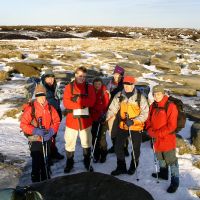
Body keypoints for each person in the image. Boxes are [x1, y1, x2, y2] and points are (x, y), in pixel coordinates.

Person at [106, 75, 149, 176]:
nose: (127, 86)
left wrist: (134, 121)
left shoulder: (140, 97)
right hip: (123, 125)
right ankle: (121, 167)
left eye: (129, 84)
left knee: (135, 149)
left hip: (136, 126)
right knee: (118, 147)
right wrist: (106, 117)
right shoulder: (119, 95)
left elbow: (145, 114)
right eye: (125, 84)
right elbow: (112, 109)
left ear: (133, 84)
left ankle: (133, 166)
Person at [20, 85, 60, 182]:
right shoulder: (31, 109)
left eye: (43, 95)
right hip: (35, 140)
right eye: (38, 95)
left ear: (45, 95)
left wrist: (51, 131)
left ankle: (46, 180)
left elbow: (57, 121)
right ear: (36, 97)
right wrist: (35, 130)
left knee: (46, 162)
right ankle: (36, 183)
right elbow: (23, 125)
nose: (41, 98)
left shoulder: (50, 108)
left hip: (47, 139)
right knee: (37, 163)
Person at [145, 85, 179, 193]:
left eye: (158, 93)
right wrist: (150, 130)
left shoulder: (171, 106)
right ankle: (163, 174)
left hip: (167, 139)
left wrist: (157, 134)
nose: (156, 96)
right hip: (156, 139)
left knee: (171, 161)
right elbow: (148, 120)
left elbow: (172, 126)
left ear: (163, 93)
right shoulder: (153, 106)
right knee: (160, 158)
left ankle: (175, 182)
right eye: (154, 94)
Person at [63, 66, 96, 173]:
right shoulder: (69, 87)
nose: (82, 78)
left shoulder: (89, 87)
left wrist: (77, 101)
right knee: (69, 142)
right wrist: (81, 103)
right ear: (76, 75)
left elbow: (92, 102)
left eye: (84, 76)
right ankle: (69, 161)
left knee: (87, 142)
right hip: (72, 120)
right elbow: (66, 103)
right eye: (80, 76)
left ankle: (87, 161)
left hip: (85, 121)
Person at [41, 70, 64, 161]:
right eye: (48, 78)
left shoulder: (54, 87)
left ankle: (53, 151)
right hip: (47, 117)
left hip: (55, 115)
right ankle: (48, 155)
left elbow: (56, 100)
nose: (51, 80)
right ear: (44, 78)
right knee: (48, 136)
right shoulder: (42, 88)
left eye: (52, 78)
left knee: (53, 135)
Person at [107, 65, 129, 156]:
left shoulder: (124, 85)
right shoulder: (110, 83)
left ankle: (125, 148)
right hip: (112, 109)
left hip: (121, 110)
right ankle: (115, 146)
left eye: (119, 75)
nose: (117, 76)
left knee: (123, 129)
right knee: (112, 129)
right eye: (115, 74)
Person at [90, 77, 110, 163]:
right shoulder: (92, 92)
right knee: (94, 138)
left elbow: (106, 105)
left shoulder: (104, 92)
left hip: (102, 119)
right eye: (95, 84)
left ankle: (103, 154)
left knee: (102, 138)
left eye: (99, 84)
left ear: (101, 84)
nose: (97, 86)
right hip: (94, 119)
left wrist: (104, 114)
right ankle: (96, 154)